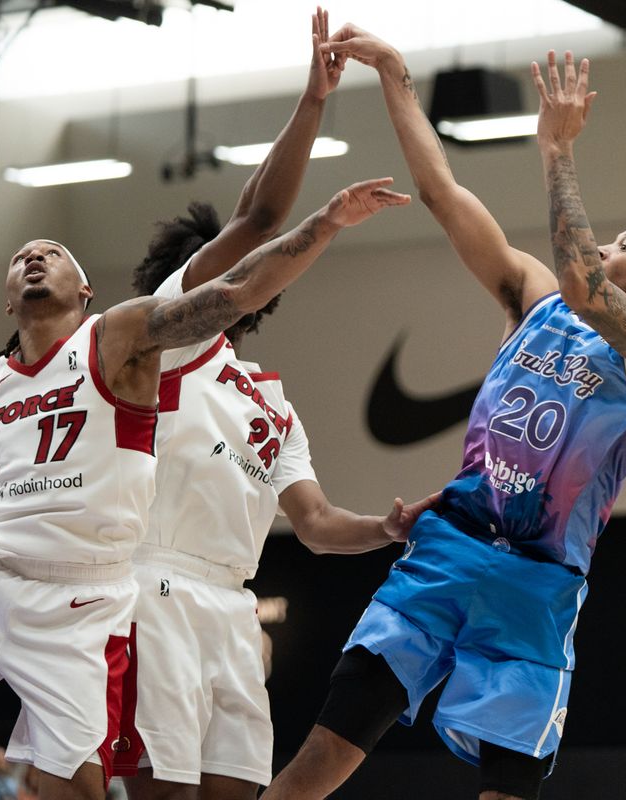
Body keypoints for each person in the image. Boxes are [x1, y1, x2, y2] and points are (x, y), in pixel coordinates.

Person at [262, 29, 626, 800]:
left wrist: (556, 152)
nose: (610, 243)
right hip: (447, 551)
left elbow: (586, 284)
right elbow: (443, 194)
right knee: (320, 758)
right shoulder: (532, 299)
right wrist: (395, 73)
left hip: (534, 588)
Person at [0, 171, 410, 800]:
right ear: (5, 300)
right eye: (20, 255)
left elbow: (242, 276)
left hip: (88, 600)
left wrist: (326, 222)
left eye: (53, 252)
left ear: (86, 291)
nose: (33, 255)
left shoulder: (123, 339)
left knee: (85, 791)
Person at [111, 9, 438, 800]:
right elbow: (258, 216)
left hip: (232, 608)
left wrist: (386, 528)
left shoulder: (270, 404)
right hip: (155, 588)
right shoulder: (167, 338)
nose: (245, 258)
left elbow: (319, 525)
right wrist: (315, 101)